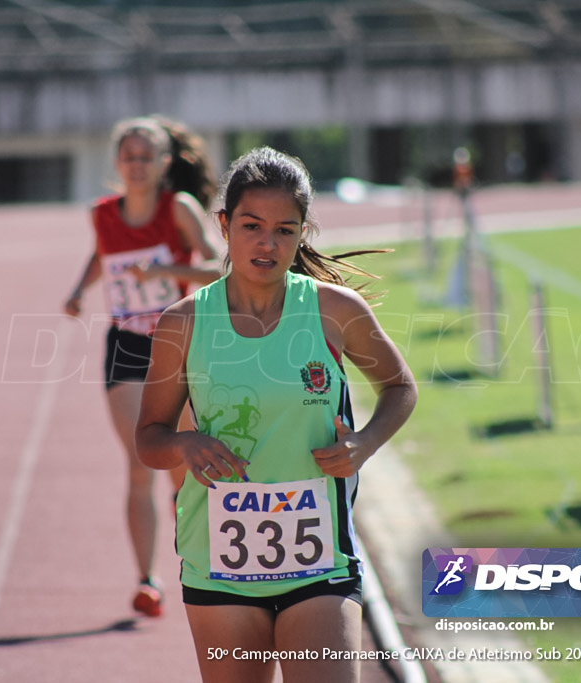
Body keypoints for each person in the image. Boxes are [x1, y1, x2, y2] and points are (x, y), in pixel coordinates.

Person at [135, 147, 417, 682]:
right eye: (252, 225)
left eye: (285, 230)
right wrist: (184, 445)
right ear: (223, 225)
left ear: (303, 233)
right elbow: (149, 438)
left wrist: (365, 443)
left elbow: (400, 387)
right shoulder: (184, 323)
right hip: (220, 561)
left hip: (319, 558)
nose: (268, 243)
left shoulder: (334, 312)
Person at [64, 116, 220, 618]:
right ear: (117, 163)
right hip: (126, 345)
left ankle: (199, 564)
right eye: (128, 157)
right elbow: (102, 254)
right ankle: (146, 580)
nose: (136, 165)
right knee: (139, 459)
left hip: (177, 343)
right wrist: (77, 291)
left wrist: (166, 271)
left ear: (164, 163)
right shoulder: (102, 213)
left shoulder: (178, 208)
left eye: (145, 157)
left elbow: (219, 264)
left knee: (183, 468)